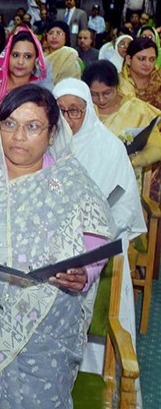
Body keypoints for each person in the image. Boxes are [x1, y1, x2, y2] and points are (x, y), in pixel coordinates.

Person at [0, 85, 111, 408]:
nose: (18, 136)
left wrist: (85, 274)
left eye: (32, 126)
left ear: (52, 133)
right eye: (9, 124)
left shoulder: (71, 182)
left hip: (46, 334)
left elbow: (98, 240)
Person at [52, 79, 144, 390]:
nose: (67, 119)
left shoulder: (110, 148)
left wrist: (91, 235)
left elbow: (125, 207)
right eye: (60, 111)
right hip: (49, 252)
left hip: (98, 253)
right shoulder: (42, 145)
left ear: (88, 111)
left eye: (75, 111)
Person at [83, 60, 161, 194]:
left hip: (125, 183)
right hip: (86, 182)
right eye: (94, 94)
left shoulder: (137, 110)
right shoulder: (80, 111)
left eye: (107, 93)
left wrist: (132, 161)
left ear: (117, 87)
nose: (101, 100)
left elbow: (157, 147)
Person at [0, 29, 50, 127]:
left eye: (28, 56)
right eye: (15, 55)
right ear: (7, 56)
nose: (20, 62)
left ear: (36, 60)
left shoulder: (40, 92)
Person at [120, 36, 161, 110]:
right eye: (142, 59)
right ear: (129, 59)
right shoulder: (118, 85)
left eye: (151, 59)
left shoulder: (159, 80)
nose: (147, 64)